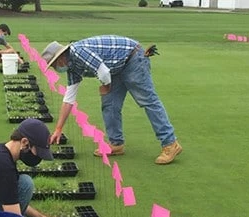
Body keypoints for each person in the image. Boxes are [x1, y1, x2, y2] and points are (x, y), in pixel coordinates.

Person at [42, 36, 182, 165]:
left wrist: (106, 85)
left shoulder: (78, 52)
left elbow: (103, 72)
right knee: (109, 104)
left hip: (132, 58)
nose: (56, 69)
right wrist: (58, 129)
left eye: (54, 65)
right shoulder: (72, 67)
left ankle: (170, 143)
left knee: (148, 101)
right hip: (116, 68)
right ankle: (116, 144)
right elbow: (69, 98)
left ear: (60, 58)